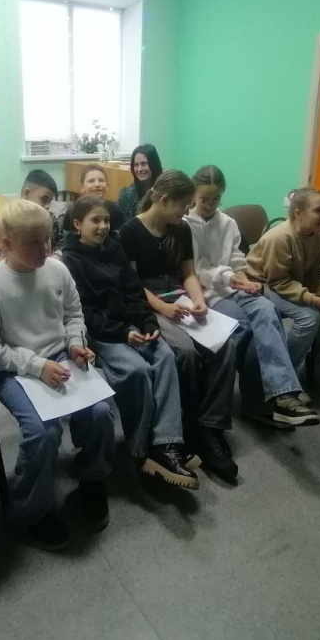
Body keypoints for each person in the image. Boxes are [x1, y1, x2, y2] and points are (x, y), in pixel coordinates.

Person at [0, 199, 114, 550]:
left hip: (59, 355)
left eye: (48, 238)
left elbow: (73, 314)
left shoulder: (57, 270)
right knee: (43, 431)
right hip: (12, 368)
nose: (45, 248)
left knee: (99, 411)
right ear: (7, 244)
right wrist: (36, 365)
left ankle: (91, 479)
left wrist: (75, 343)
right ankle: (30, 511)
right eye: (33, 242)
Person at [61, 195, 199, 489]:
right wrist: (123, 332)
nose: (103, 226)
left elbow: (135, 292)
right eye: (95, 220)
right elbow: (84, 312)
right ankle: (142, 450)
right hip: (101, 333)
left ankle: (166, 443)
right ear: (77, 224)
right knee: (137, 370)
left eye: (106, 220)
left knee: (165, 357)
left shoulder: (114, 249)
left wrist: (148, 323)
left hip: (130, 325)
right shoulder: (69, 260)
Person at [119, 170, 240, 482]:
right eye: (183, 205)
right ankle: (187, 424)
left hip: (180, 298)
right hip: (149, 303)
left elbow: (188, 274)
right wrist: (163, 308)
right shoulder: (130, 231)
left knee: (225, 344)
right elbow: (131, 285)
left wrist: (199, 300)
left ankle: (210, 428)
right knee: (184, 351)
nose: (187, 211)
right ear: (163, 200)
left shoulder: (181, 229)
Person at [186, 166, 319, 427]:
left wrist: (245, 281)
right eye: (204, 200)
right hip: (207, 294)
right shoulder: (186, 225)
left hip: (233, 286)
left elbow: (237, 259)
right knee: (247, 326)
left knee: (268, 310)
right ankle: (257, 401)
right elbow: (196, 269)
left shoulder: (228, 223)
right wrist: (230, 277)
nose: (210, 205)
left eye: (216, 199)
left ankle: (282, 393)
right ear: (193, 196)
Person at [246, 188, 320, 392]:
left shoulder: (319, 237)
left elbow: (313, 277)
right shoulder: (279, 238)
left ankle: (316, 366)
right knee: (310, 318)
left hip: (289, 283)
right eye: (318, 210)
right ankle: (285, 378)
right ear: (298, 213)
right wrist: (319, 301)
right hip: (261, 286)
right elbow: (279, 283)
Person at [64, 164, 127, 237]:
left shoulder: (115, 211)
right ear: (81, 187)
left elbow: (118, 239)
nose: (97, 184)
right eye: (91, 181)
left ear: (107, 186)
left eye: (101, 180)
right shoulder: (72, 213)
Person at [20, 168, 65, 251]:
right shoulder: (11, 222)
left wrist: (57, 255)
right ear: (26, 194)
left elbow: (61, 245)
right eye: (44, 199)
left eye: (49, 202)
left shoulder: (51, 220)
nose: (47, 206)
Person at [117, 144, 163, 220]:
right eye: (136, 165)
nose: (139, 169)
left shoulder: (166, 191)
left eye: (144, 164)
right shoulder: (127, 195)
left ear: (154, 164)